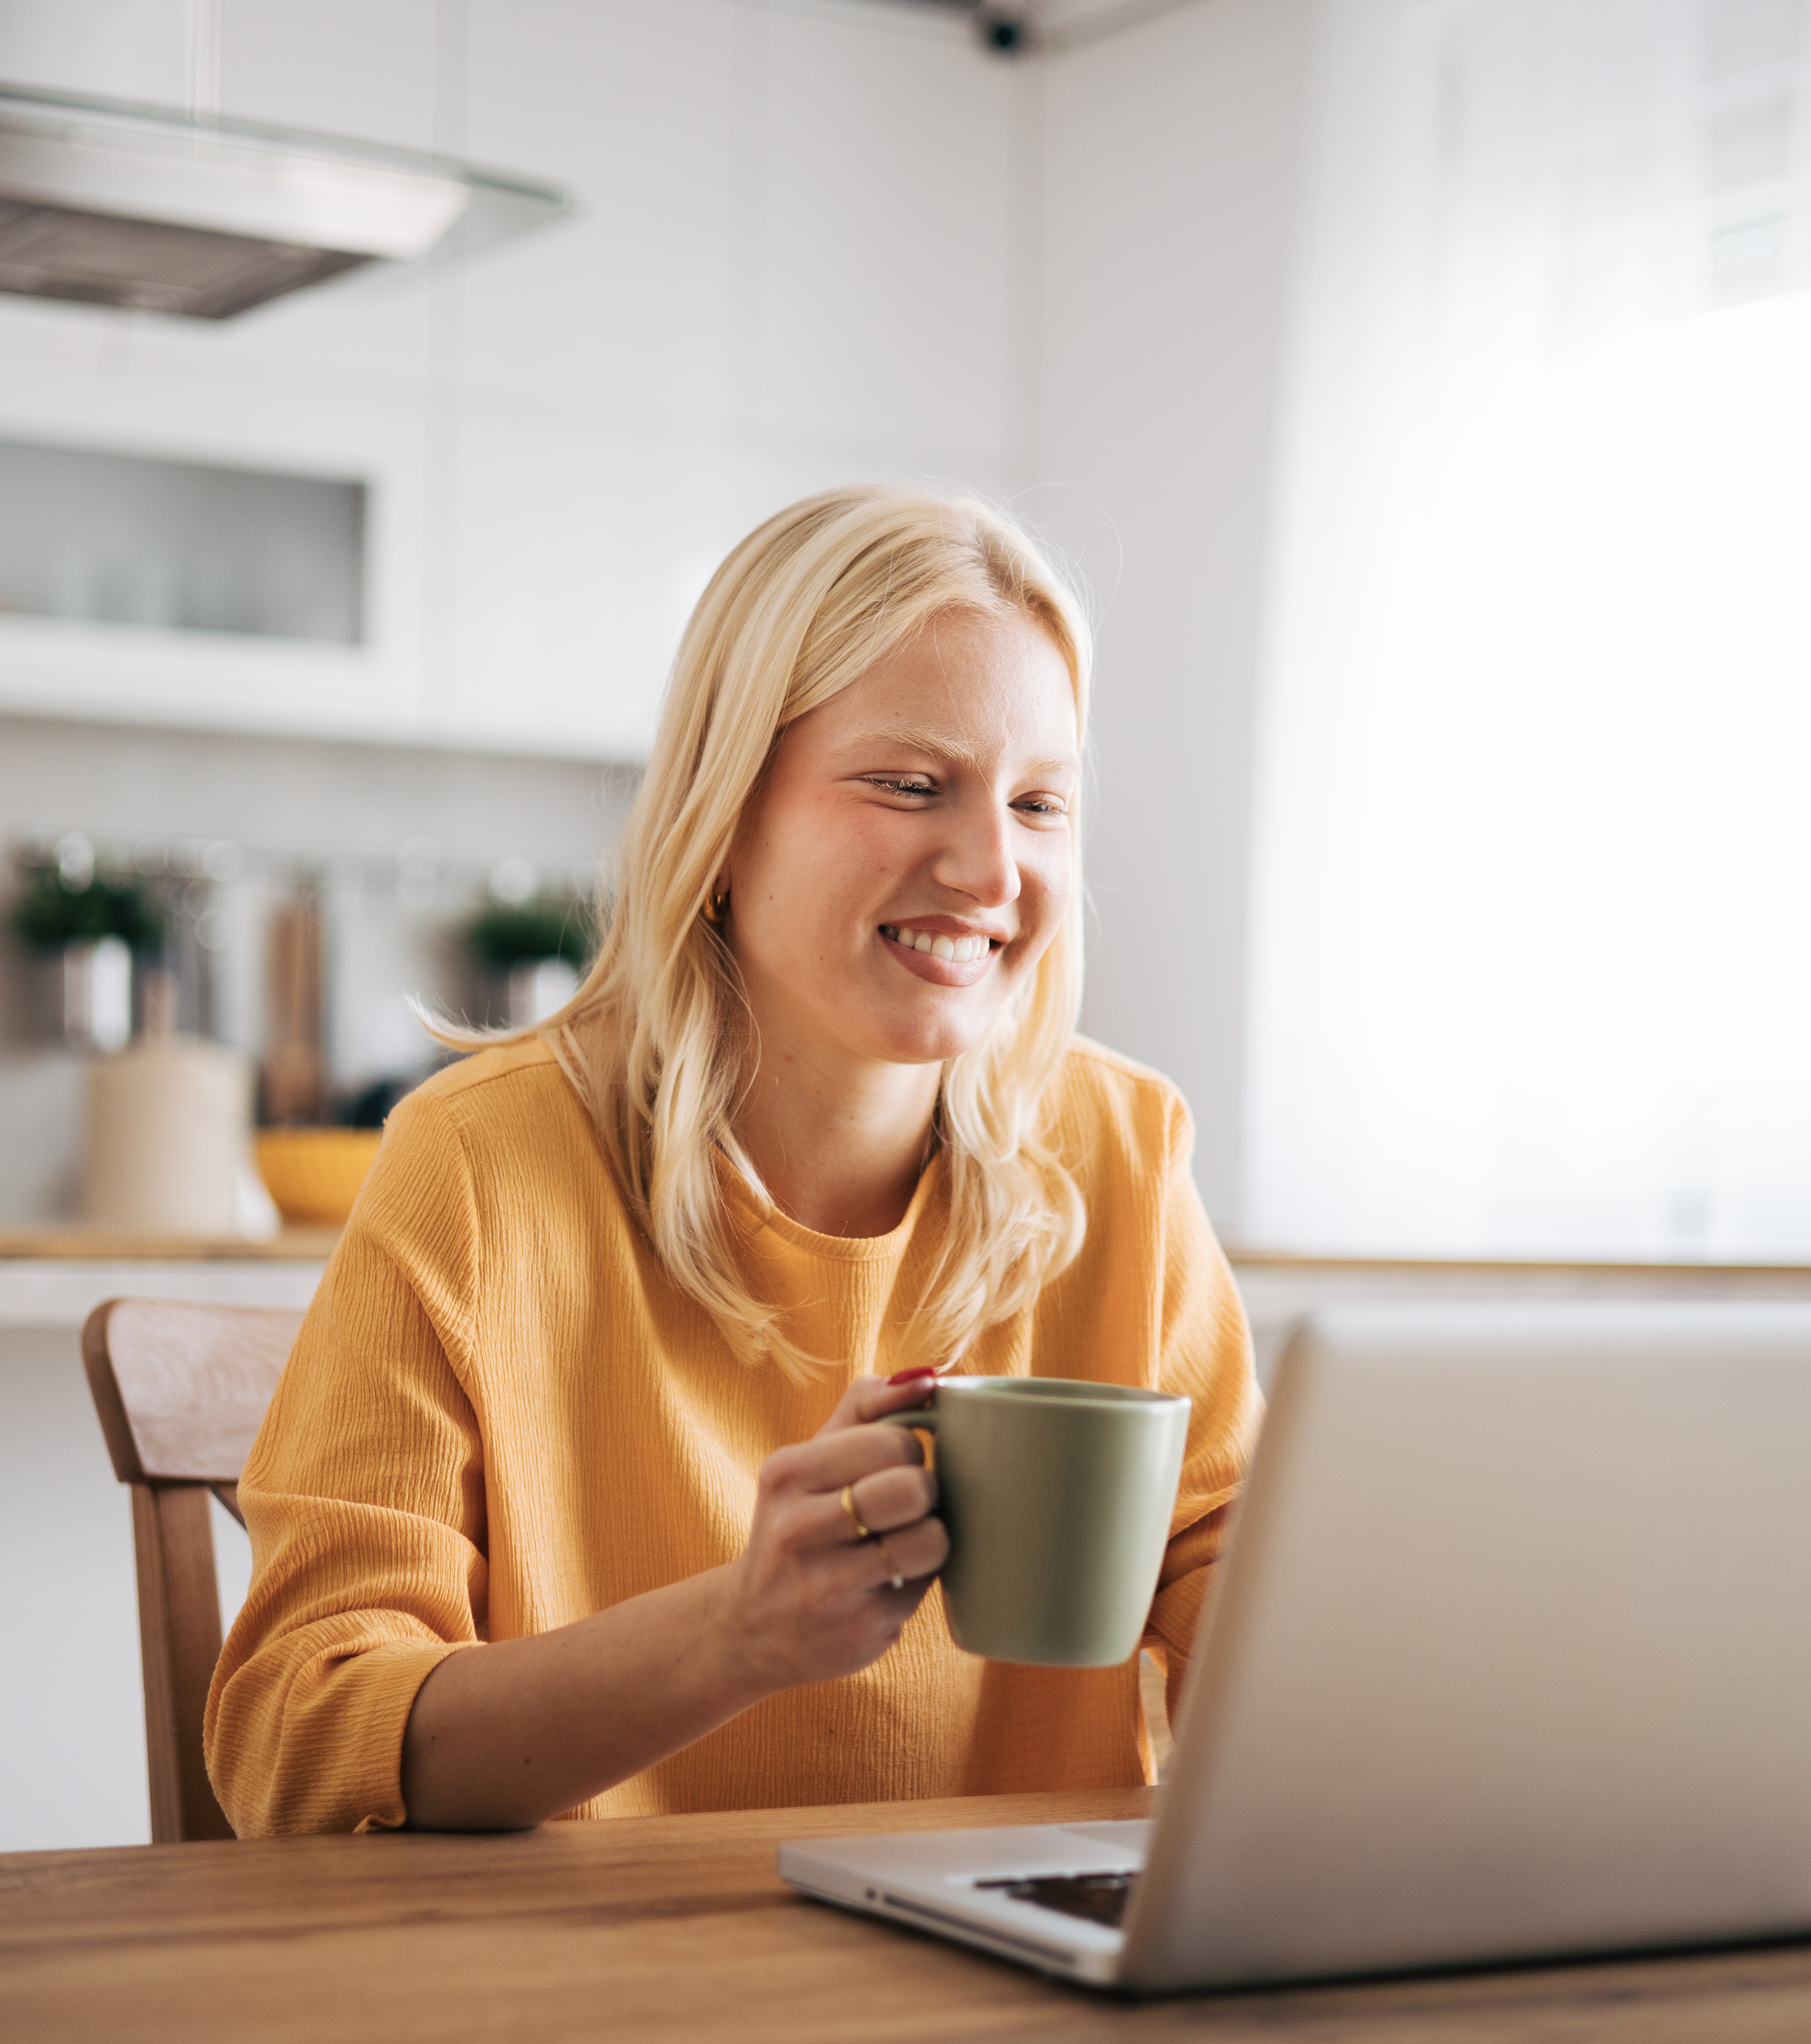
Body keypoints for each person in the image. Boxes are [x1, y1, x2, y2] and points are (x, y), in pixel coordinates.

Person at [205, 486, 1254, 1833]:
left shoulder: (1121, 1152)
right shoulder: (482, 1166)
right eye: (910, 785)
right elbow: (296, 1741)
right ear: (725, 808)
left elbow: (1248, 1595)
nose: (994, 868)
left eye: (1042, 804)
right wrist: (738, 1634)